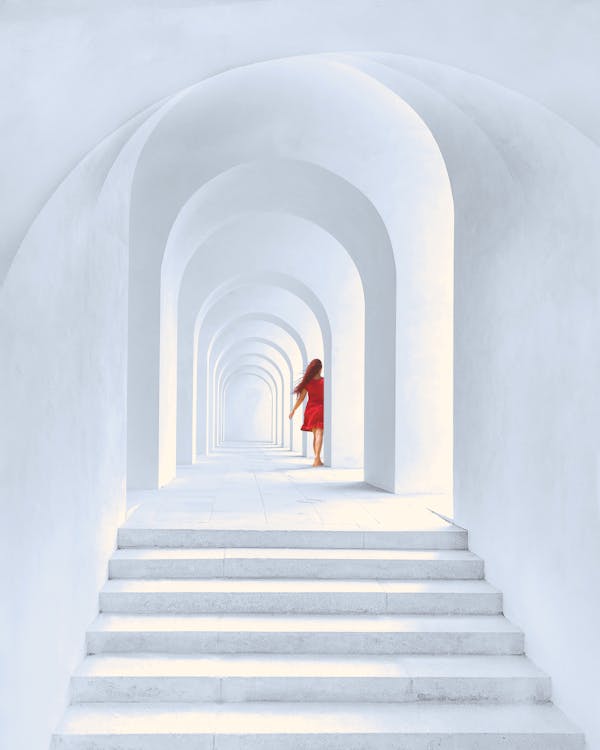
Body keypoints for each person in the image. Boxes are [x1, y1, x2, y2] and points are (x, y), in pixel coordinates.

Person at [289, 358, 324, 467]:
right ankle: (317, 459)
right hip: (322, 409)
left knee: (315, 435)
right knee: (320, 434)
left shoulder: (308, 383)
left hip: (311, 410)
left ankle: (317, 459)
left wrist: (293, 410)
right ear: (320, 369)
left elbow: (301, 399)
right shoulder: (325, 381)